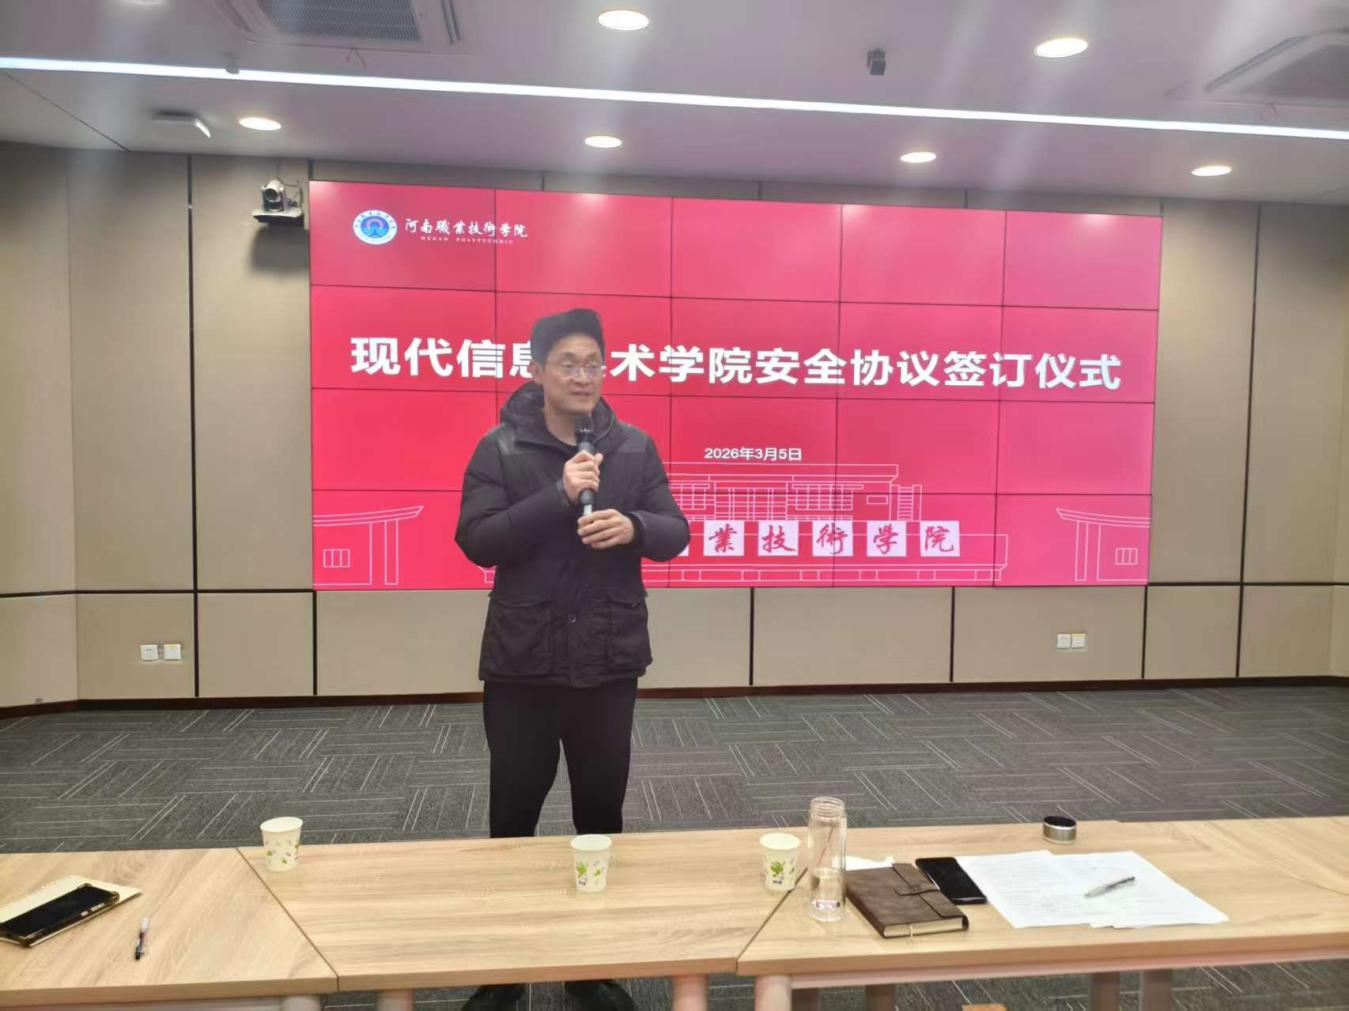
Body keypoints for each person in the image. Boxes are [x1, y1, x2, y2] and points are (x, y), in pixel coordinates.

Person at [455, 307, 690, 1010]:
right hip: (523, 664)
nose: (583, 375)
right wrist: (557, 495)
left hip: (606, 662)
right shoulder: (499, 448)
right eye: (568, 363)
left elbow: (675, 531)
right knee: (512, 822)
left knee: (600, 816)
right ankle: (504, 975)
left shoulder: (633, 447)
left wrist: (635, 526)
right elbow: (477, 540)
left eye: (593, 363)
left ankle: (592, 969)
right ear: (537, 371)